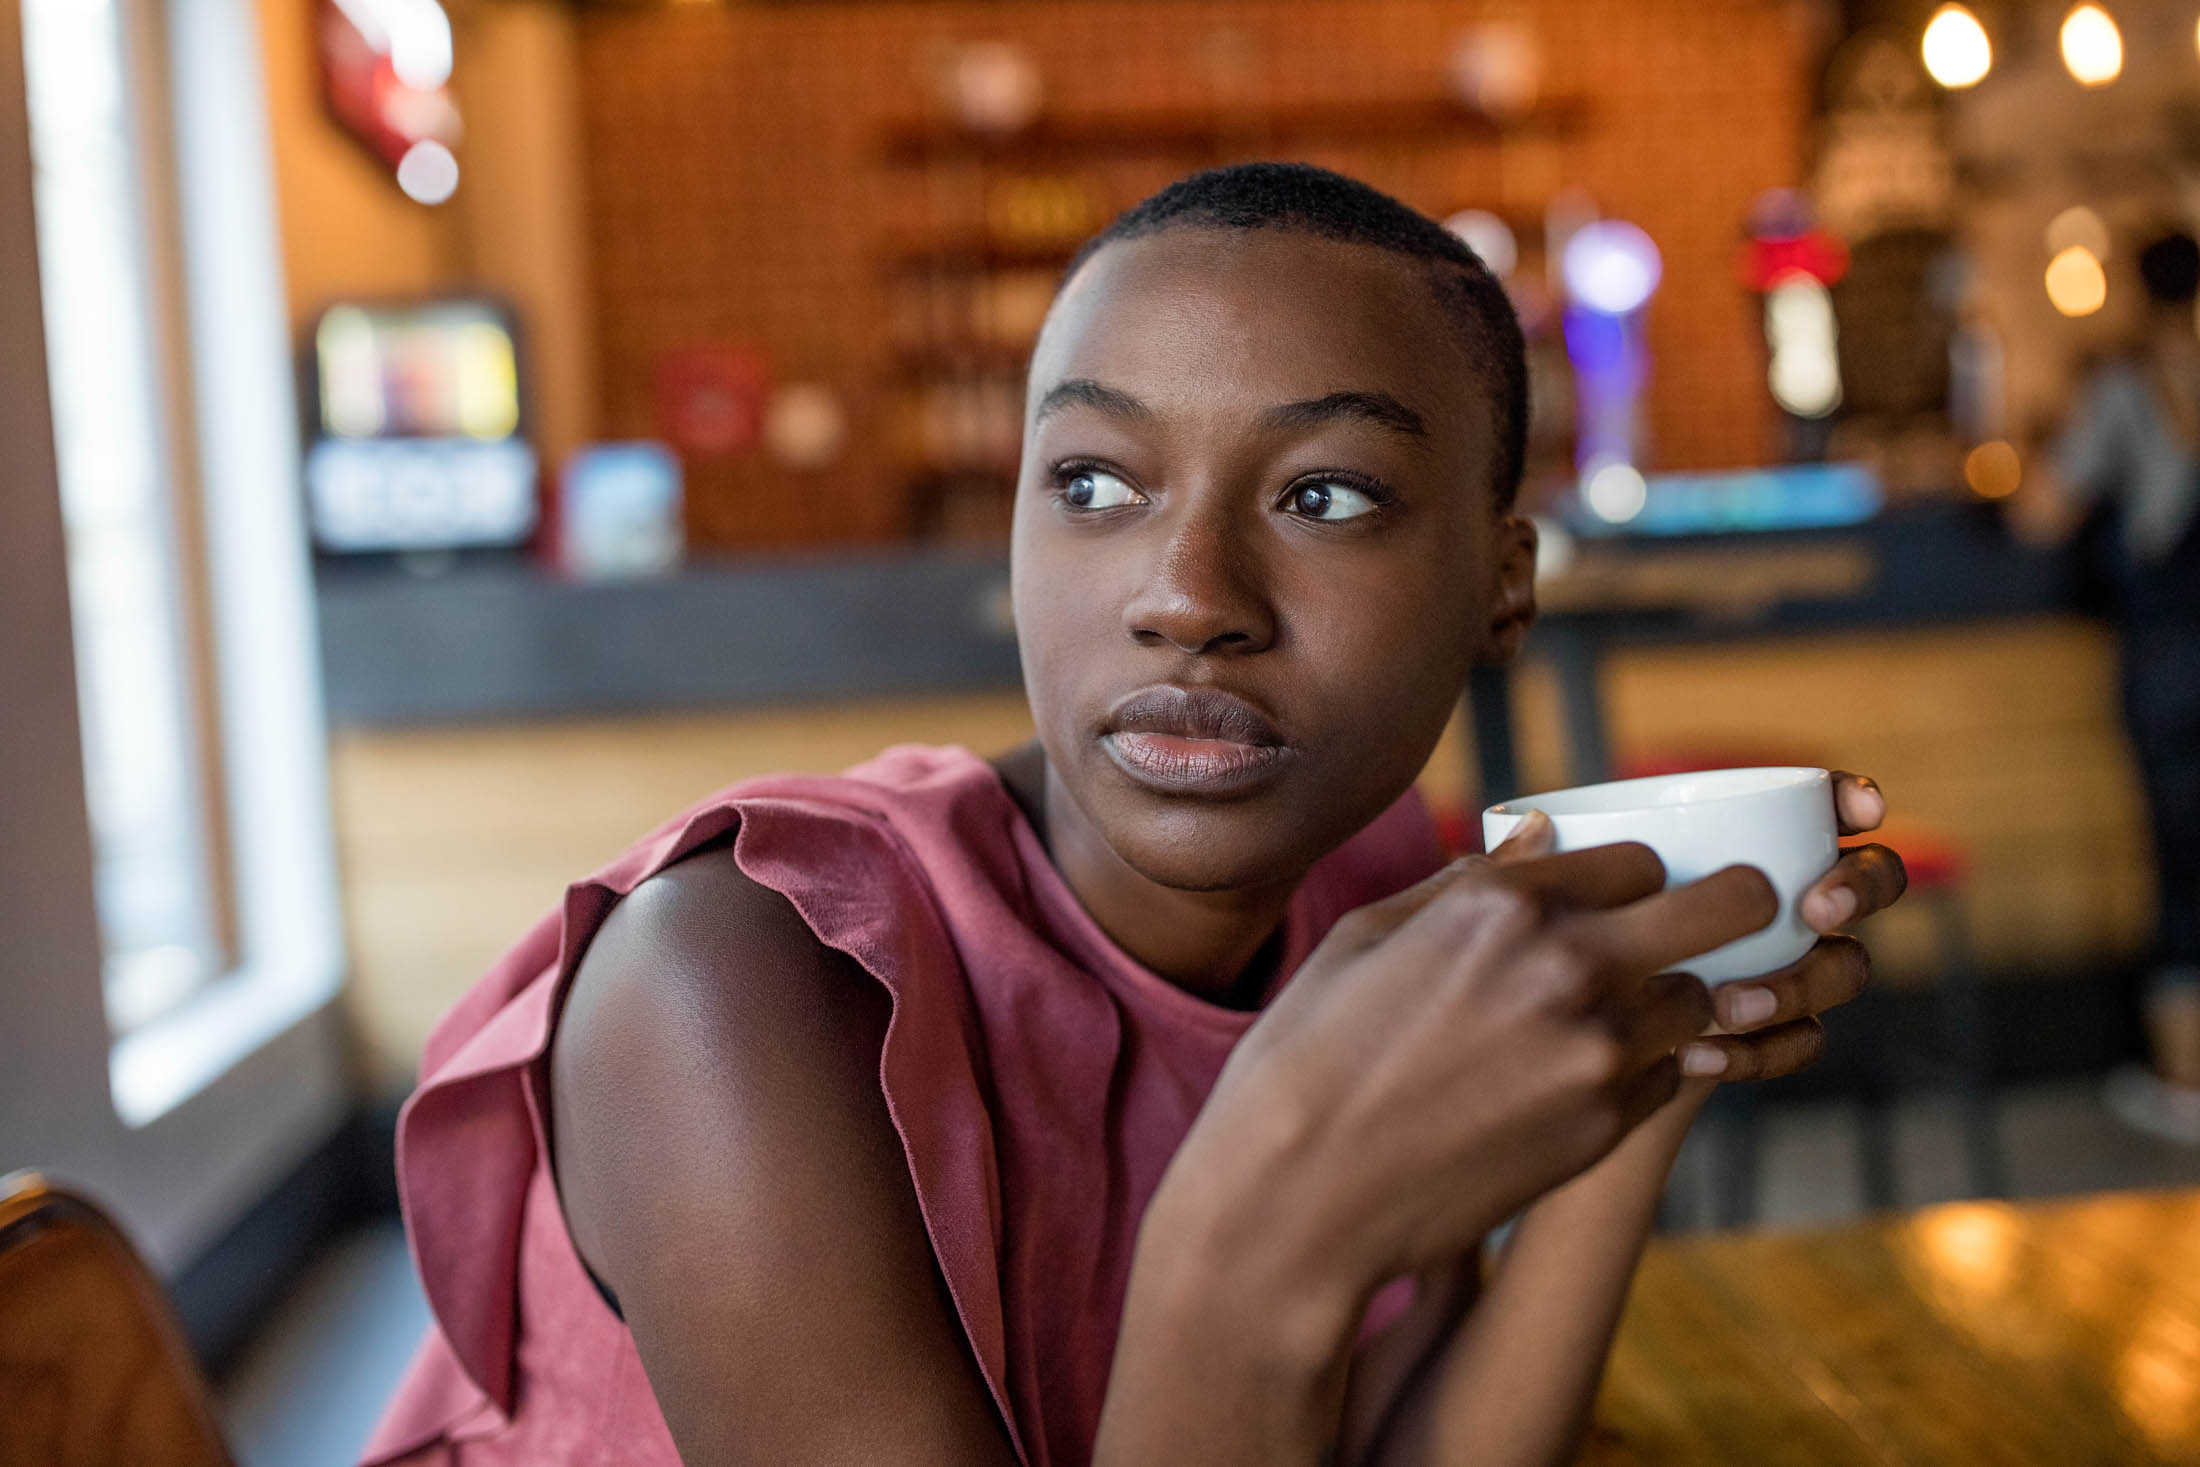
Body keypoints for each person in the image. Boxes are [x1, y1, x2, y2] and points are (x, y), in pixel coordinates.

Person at [361, 163, 1905, 1467]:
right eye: (1095, 481)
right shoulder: (730, 985)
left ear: (1503, 586)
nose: (1185, 597)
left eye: (1325, 494)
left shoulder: (1363, 882)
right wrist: (1257, 1245)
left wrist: (1650, 1069)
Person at [2025, 230, 2200, 1144]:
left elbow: (2041, 512)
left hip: (2171, 659)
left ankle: (2186, 1077)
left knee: (2181, 861)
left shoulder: (2125, 389)